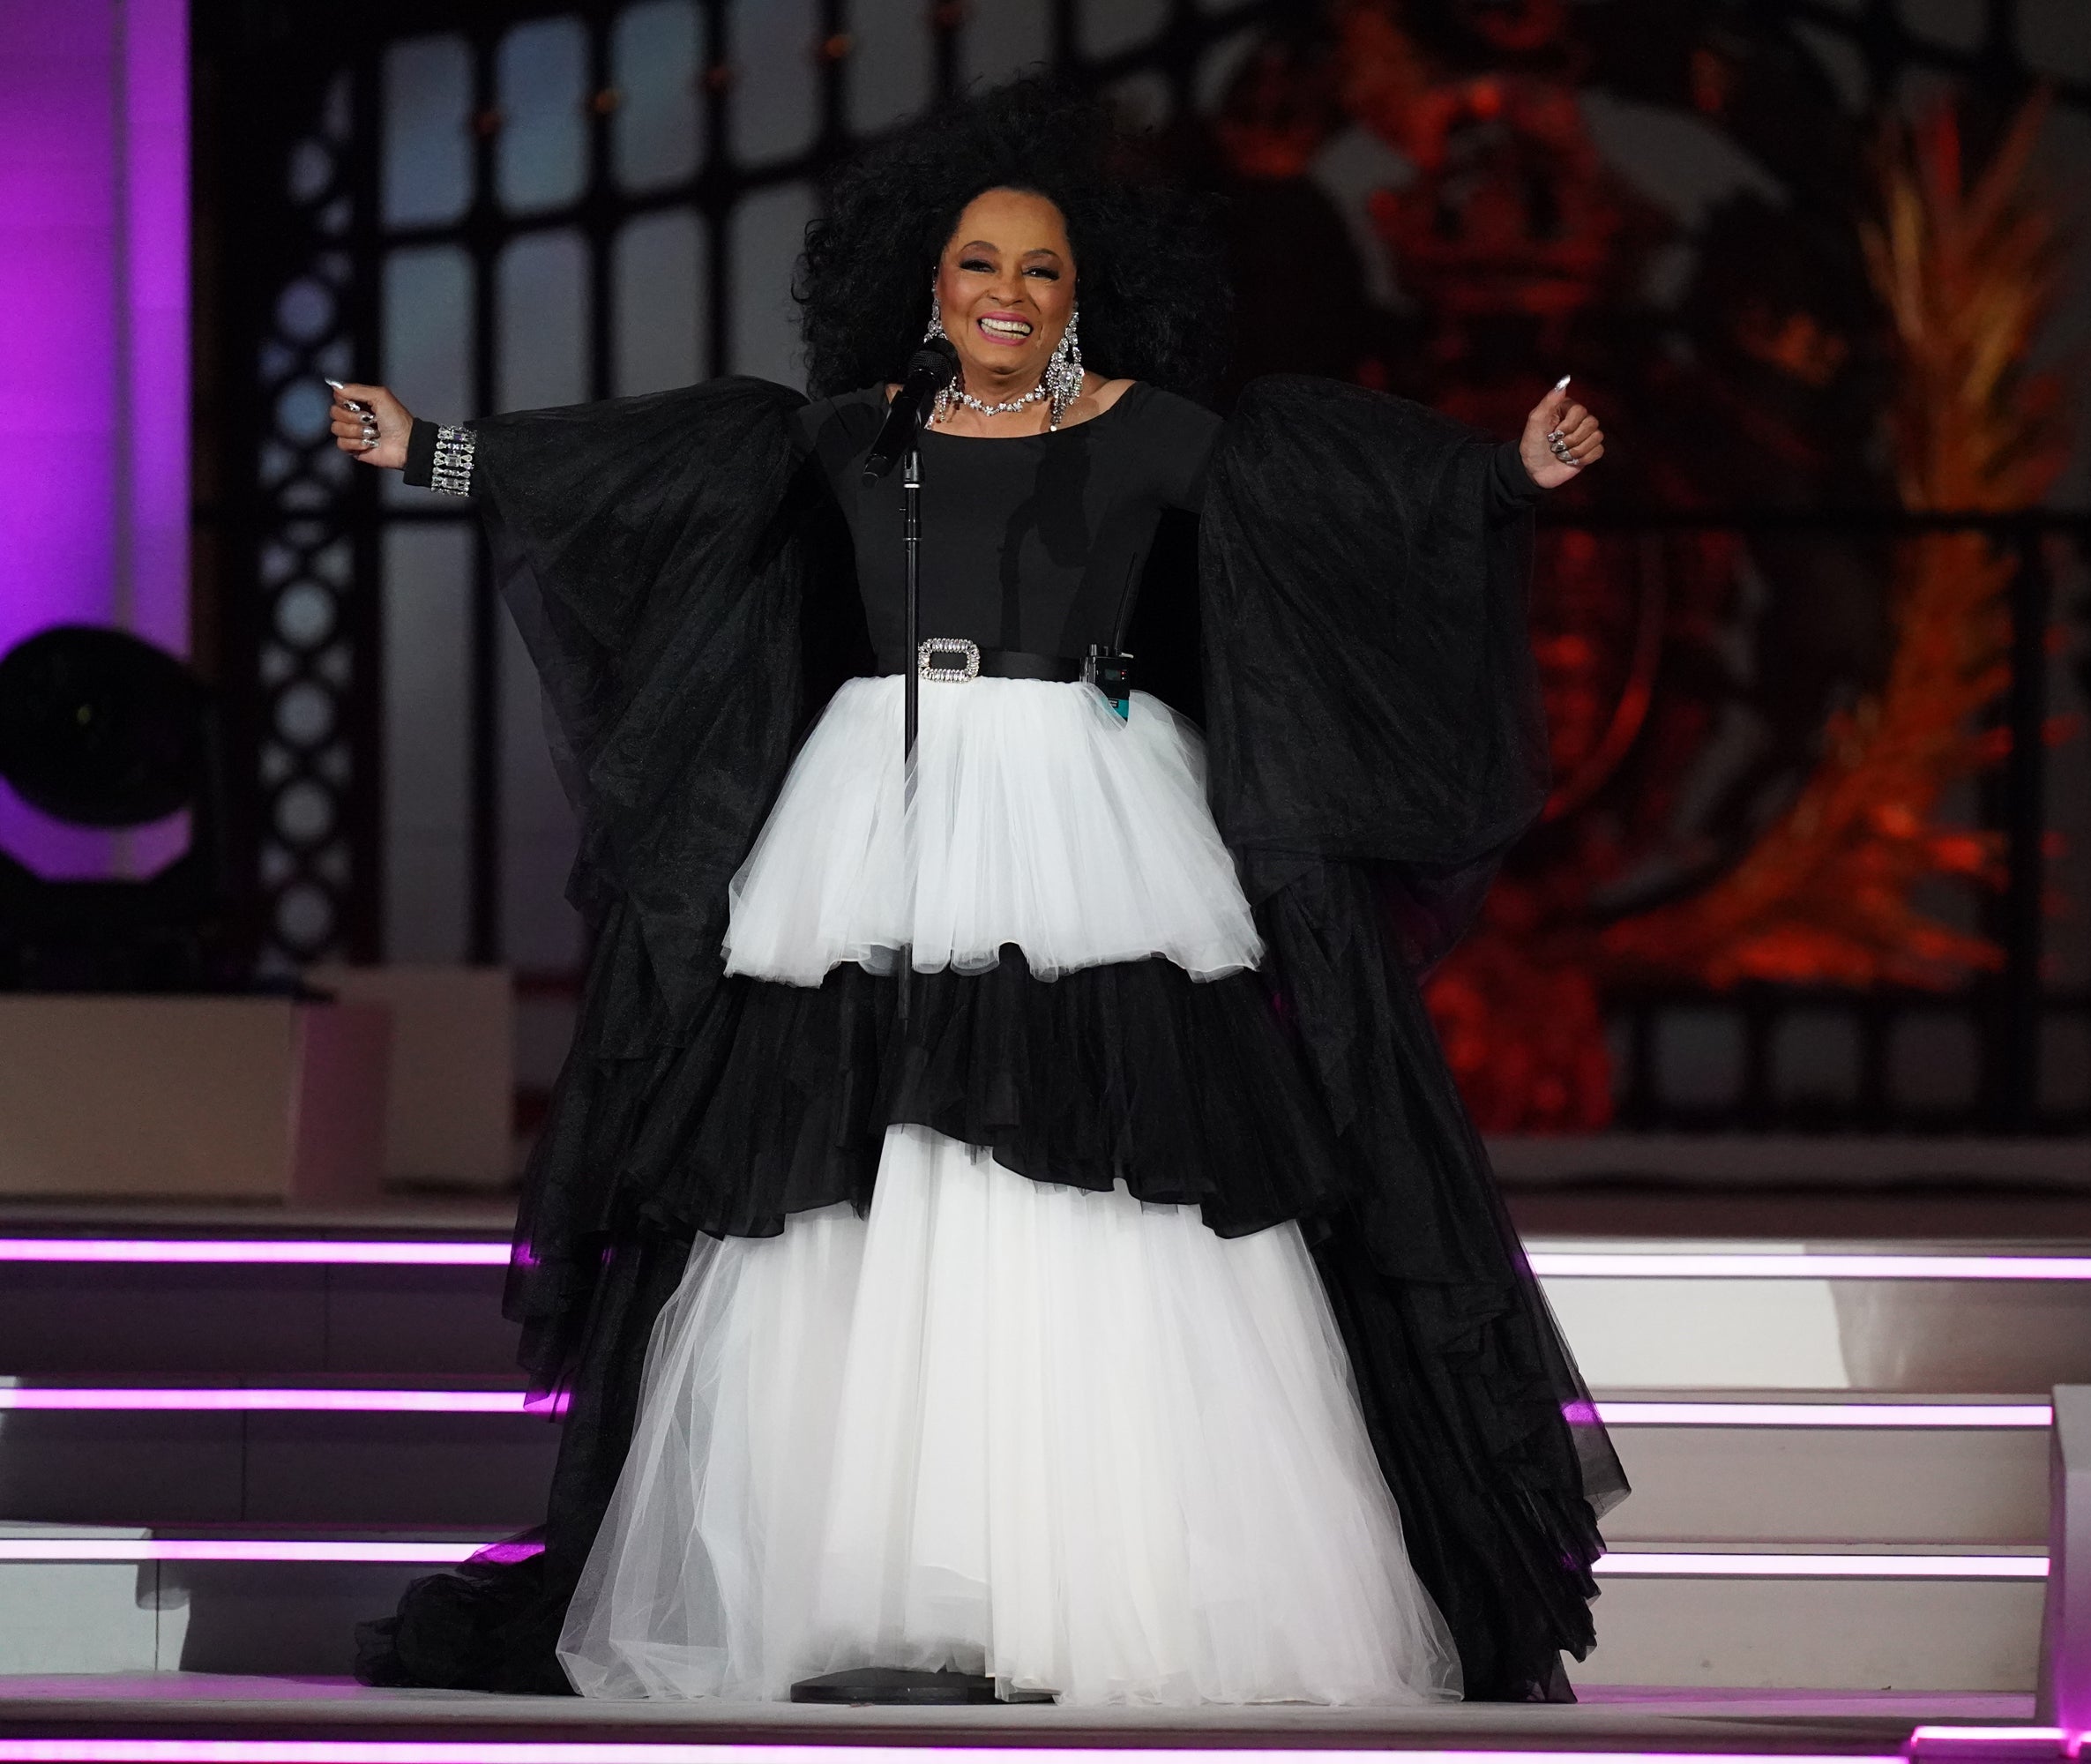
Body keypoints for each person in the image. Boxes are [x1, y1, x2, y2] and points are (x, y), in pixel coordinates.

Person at [335, 80, 1621, 1708]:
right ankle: (858, 1589)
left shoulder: (1147, 428)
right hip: (876, 804)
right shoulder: (848, 434)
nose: (1007, 297)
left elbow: (1320, 518)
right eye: (977, 267)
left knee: (1101, 1178)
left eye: (1040, 274)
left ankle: (1090, 1591)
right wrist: (431, 448)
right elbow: (644, 486)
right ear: (924, 283)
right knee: (846, 1185)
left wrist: (1506, 476)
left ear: (1083, 297)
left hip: (1081, 812)